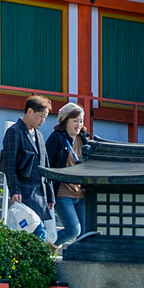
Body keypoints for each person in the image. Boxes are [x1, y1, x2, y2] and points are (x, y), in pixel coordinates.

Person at [0, 95, 55, 238]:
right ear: (30, 111)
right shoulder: (14, 132)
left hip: (40, 193)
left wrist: (50, 195)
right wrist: (14, 190)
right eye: (41, 116)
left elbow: (46, 166)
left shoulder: (40, 136)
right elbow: (9, 164)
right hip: (23, 191)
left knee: (36, 232)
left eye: (45, 117)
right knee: (35, 232)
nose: (43, 121)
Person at [47, 103, 93, 243]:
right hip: (63, 192)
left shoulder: (84, 139)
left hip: (81, 192)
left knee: (84, 233)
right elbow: (47, 165)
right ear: (65, 120)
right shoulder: (57, 138)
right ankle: (45, 247)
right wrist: (49, 194)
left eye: (81, 121)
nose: (79, 124)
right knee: (73, 230)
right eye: (75, 120)